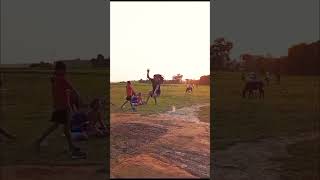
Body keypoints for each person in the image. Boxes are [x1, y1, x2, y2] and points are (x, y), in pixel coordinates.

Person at [34, 61, 86, 159]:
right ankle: (40, 141)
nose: (65, 71)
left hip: (58, 107)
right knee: (62, 128)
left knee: (60, 128)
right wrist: (79, 101)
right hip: (63, 107)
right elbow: (74, 91)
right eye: (64, 69)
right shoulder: (62, 80)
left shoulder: (55, 80)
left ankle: (70, 146)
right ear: (60, 70)